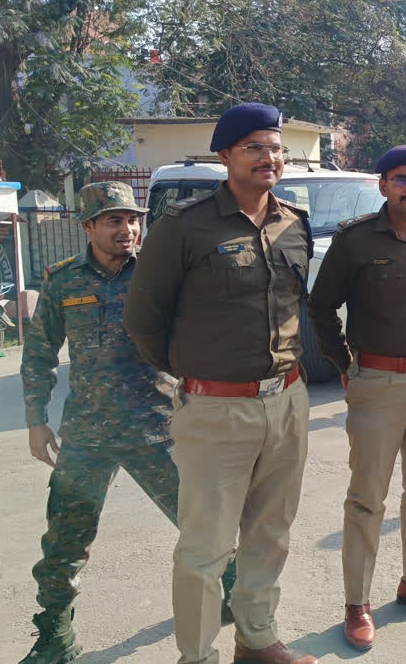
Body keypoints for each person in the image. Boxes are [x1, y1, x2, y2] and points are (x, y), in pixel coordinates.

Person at [125, 102, 317, 664]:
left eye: (276, 147)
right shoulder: (184, 228)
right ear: (226, 155)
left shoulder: (293, 224)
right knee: (206, 549)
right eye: (255, 146)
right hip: (215, 411)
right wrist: (195, 376)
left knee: (269, 534)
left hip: (286, 400)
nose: (269, 157)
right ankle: (198, 656)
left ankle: (256, 640)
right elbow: (143, 318)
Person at [18, 182, 237, 664]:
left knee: (202, 523)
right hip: (87, 435)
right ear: (89, 226)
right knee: (64, 542)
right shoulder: (62, 281)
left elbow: (201, 336)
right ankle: (55, 636)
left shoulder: (160, 275)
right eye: (114, 220)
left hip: (159, 428)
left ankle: (233, 595)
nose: (128, 229)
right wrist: (37, 420)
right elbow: (38, 355)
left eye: (133, 219)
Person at [306, 145, 406, 652]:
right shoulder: (354, 241)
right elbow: (321, 306)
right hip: (377, 382)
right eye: (402, 180)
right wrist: (345, 364)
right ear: (383, 186)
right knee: (367, 498)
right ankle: (358, 602)